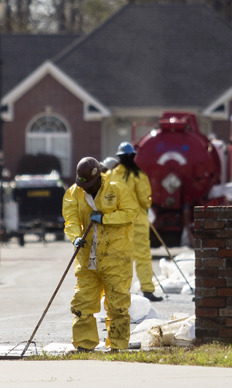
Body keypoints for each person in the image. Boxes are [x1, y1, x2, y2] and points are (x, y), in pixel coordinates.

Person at [62, 157, 138, 351]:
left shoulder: (117, 190)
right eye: (83, 183)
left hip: (116, 256)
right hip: (87, 258)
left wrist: (105, 218)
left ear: (98, 178)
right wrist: (75, 238)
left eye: (89, 184)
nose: (85, 188)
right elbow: (70, 220)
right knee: (82, 303)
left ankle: (118, 346)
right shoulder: (73, 193)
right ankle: (84, 345)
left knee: (117, 304)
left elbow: (130, 213)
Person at [107, 142, 162, 302]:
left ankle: (121, 291)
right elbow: (145, 201)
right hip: (138, 221)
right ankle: (147, 290)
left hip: (118, 222)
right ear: (133, 156)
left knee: (121, 258)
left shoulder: (111, 175)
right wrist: (144, 207)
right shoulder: (139, 175)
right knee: (143, 256)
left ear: (119, 157)